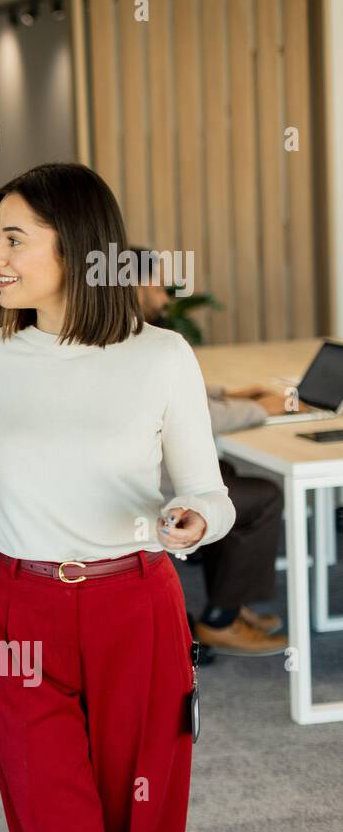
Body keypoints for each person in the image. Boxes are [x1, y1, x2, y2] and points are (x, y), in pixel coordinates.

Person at [0, 164, 236, 832]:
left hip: (136, 611)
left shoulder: (162, 355)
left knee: (142, 819)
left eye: (12, 239)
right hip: (19, 611)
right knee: (49, 816)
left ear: (73, 245)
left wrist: (198, 518)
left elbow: (209, 490)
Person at [133, 247, 288, 657]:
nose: (165, 293)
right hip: (155, 483)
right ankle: (222, 619)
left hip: (150, 471)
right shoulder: (143, 341)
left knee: (225, 469)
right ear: (134, 284)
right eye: (157, 282)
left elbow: (175, 394)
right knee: (263, 496)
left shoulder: (125, 336)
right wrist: (259, 408)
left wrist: (230, 392)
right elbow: (192, 417)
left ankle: (230, 602)